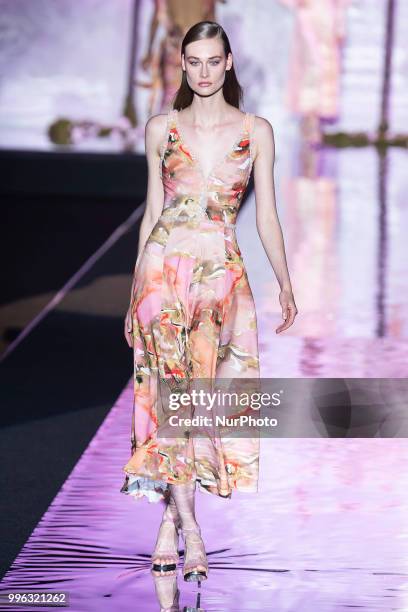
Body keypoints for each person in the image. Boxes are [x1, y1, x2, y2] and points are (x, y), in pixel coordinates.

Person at [121, 21, 298, 586]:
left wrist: (285, 283)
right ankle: (192, 534)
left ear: (228, 63)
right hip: (162, 277)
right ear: (183, 65)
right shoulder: (160, 129)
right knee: (171, 397)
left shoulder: (257, 131)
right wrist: (132, 293)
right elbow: (152, 214)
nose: (201, 71)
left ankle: (170, 525)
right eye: (192, 61)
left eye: (211, 60)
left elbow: (265, 214)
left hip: (221, 280)